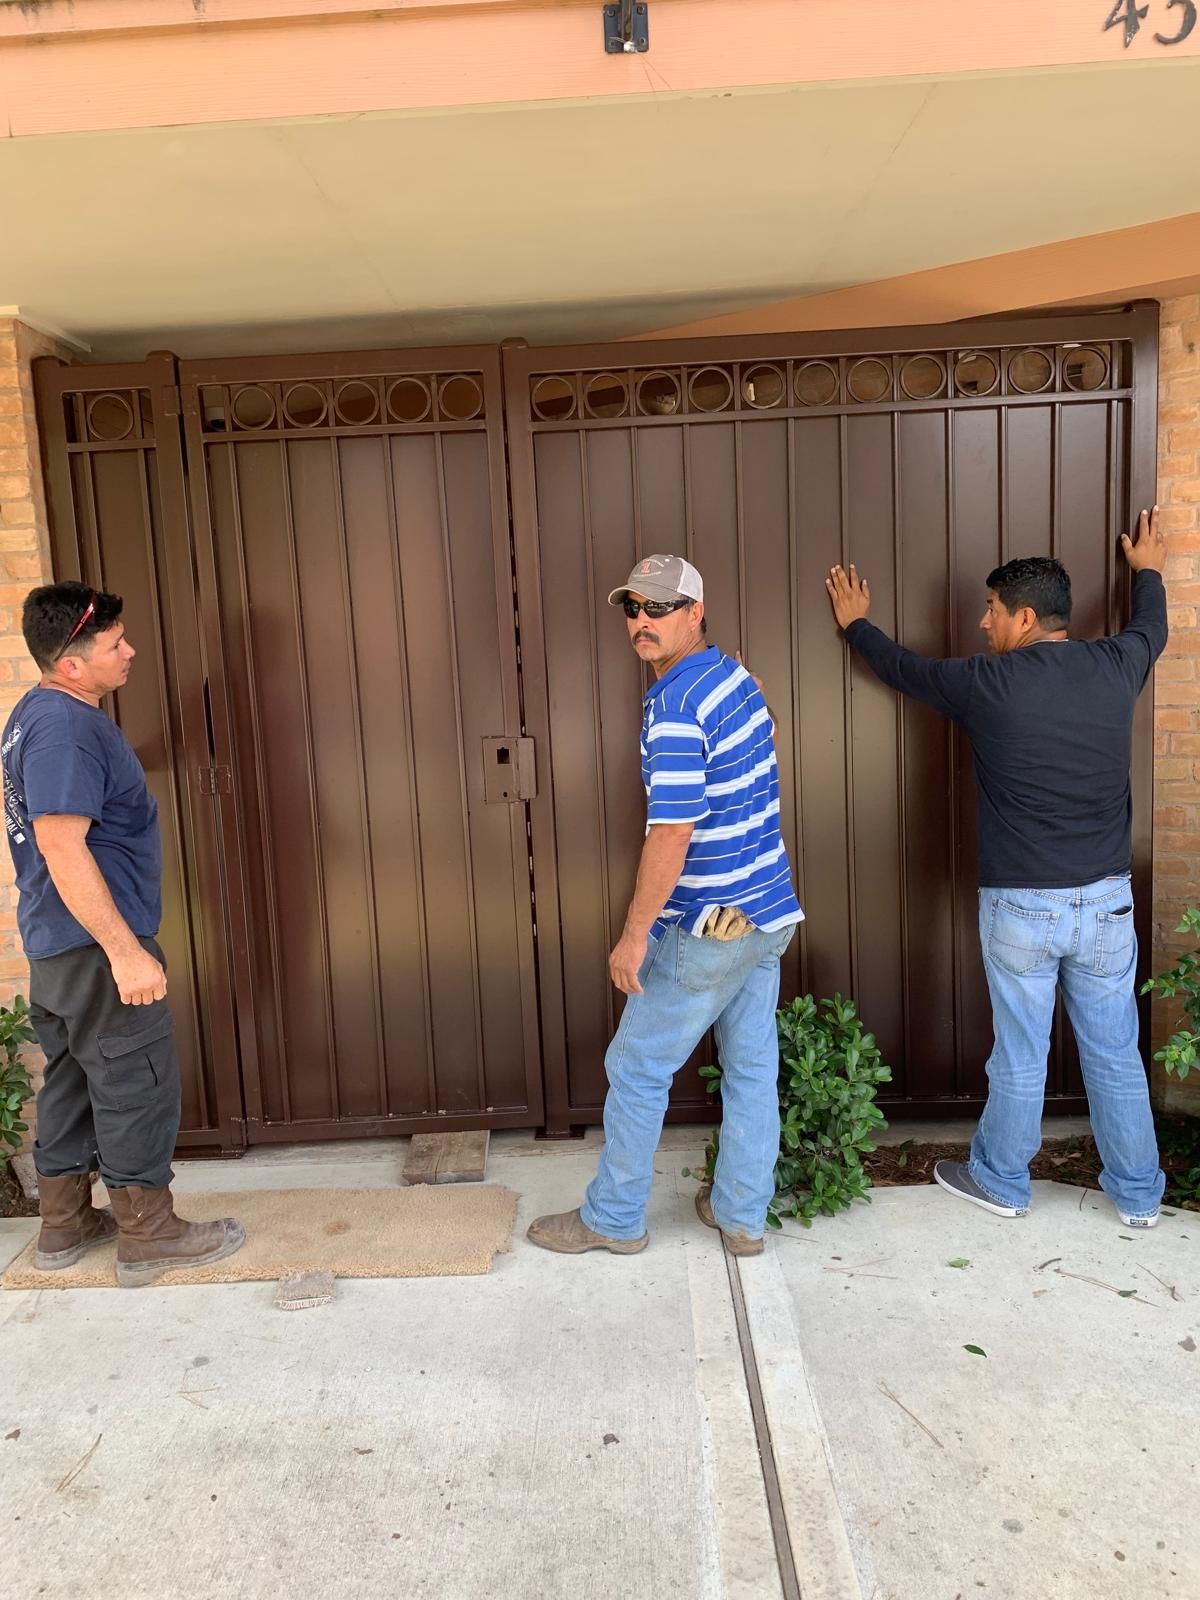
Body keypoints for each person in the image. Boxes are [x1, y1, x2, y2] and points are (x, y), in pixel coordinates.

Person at [825, 509, 1168, 1227]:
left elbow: (904, 669)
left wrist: (856, 625)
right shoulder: (1119, 664)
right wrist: (1148, 571)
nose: (983, 623)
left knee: (1020, 1053)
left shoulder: (987, 683)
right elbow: (1152, 628)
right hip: (1107, 904)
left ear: (1024, 617)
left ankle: (1003, 1182)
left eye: (991, 610)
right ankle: (1139, 1197)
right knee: (1115, 1053)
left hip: (1021, 909)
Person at [528, 554, 804, 1257]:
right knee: (751, 1069)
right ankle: (742, 1218)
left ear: (694, 612)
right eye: (633, 608)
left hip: (709, 924)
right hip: (767, 912)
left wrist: (635, 935)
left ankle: (613, 1218)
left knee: (637, 1069)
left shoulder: (677, 706)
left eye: (659, 608)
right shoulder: (731, 677)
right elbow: (766, 730)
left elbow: (673, 832)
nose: (641, 622)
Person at [2, 582, 245, 1286]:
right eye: (115, 644)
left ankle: (64, 1225)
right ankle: (149, 1234)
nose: (130, 651)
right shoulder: (65, 728)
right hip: (94, 944)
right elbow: (60, 843)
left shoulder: (38, 715)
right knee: (135, 1079)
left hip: (58, 942)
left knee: (74, 1079)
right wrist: (124, 950)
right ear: (71, 663)